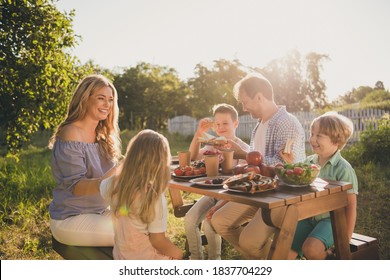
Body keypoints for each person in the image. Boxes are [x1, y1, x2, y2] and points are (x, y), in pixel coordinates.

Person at [211, 73, 306, 259]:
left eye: (245, 102)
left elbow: (284, 167)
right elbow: (255, 165)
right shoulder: (259, 126)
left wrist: (243, 155)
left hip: (280, 198)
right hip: (258, 191)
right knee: (219, 221)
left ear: (259, 97)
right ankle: (268, 261)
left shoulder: (287, 123)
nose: (243, 107)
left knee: (248, 241)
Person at [48, 74, 122, 246]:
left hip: (100, 212)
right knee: (134, 237)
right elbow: (77, 187)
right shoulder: (71, 132)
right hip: (71, 218)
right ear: (84, 99)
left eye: (110, 99)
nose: (107, 105)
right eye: (100, 98)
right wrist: (118, 169)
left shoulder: (103, 135)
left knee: (147, 225)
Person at [100, 129, 183, 260]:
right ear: (161, 163)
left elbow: (102, 184)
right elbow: (158, 242)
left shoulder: (111, 185)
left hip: (122, 257)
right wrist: (179, 254)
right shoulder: (153, 197)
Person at [285, 111, 358, 260]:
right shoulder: (308, 162)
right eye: (312, 134)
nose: (312, 139)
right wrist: (290, 163)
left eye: (319, 136)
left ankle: (329, 259)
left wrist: (345, 239)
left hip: (331, 220)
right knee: (283, 249)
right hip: (308, 217)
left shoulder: (343, 169)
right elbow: (298, 182)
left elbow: (350, 207)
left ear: (336, 141)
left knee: (310, 248)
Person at [185, 103, 250, 259]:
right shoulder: (212, 144)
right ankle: (196, 258)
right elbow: (192, 157)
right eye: (218, 124)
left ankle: (215, 260)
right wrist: (198, 133)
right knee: (189, 219)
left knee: (209, 225)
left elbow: (242, 183)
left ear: (235, 124)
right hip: (212, 194)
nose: (221, 127)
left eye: (225, 123)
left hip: (231, 197)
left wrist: (220, 205)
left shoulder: (243, 149)